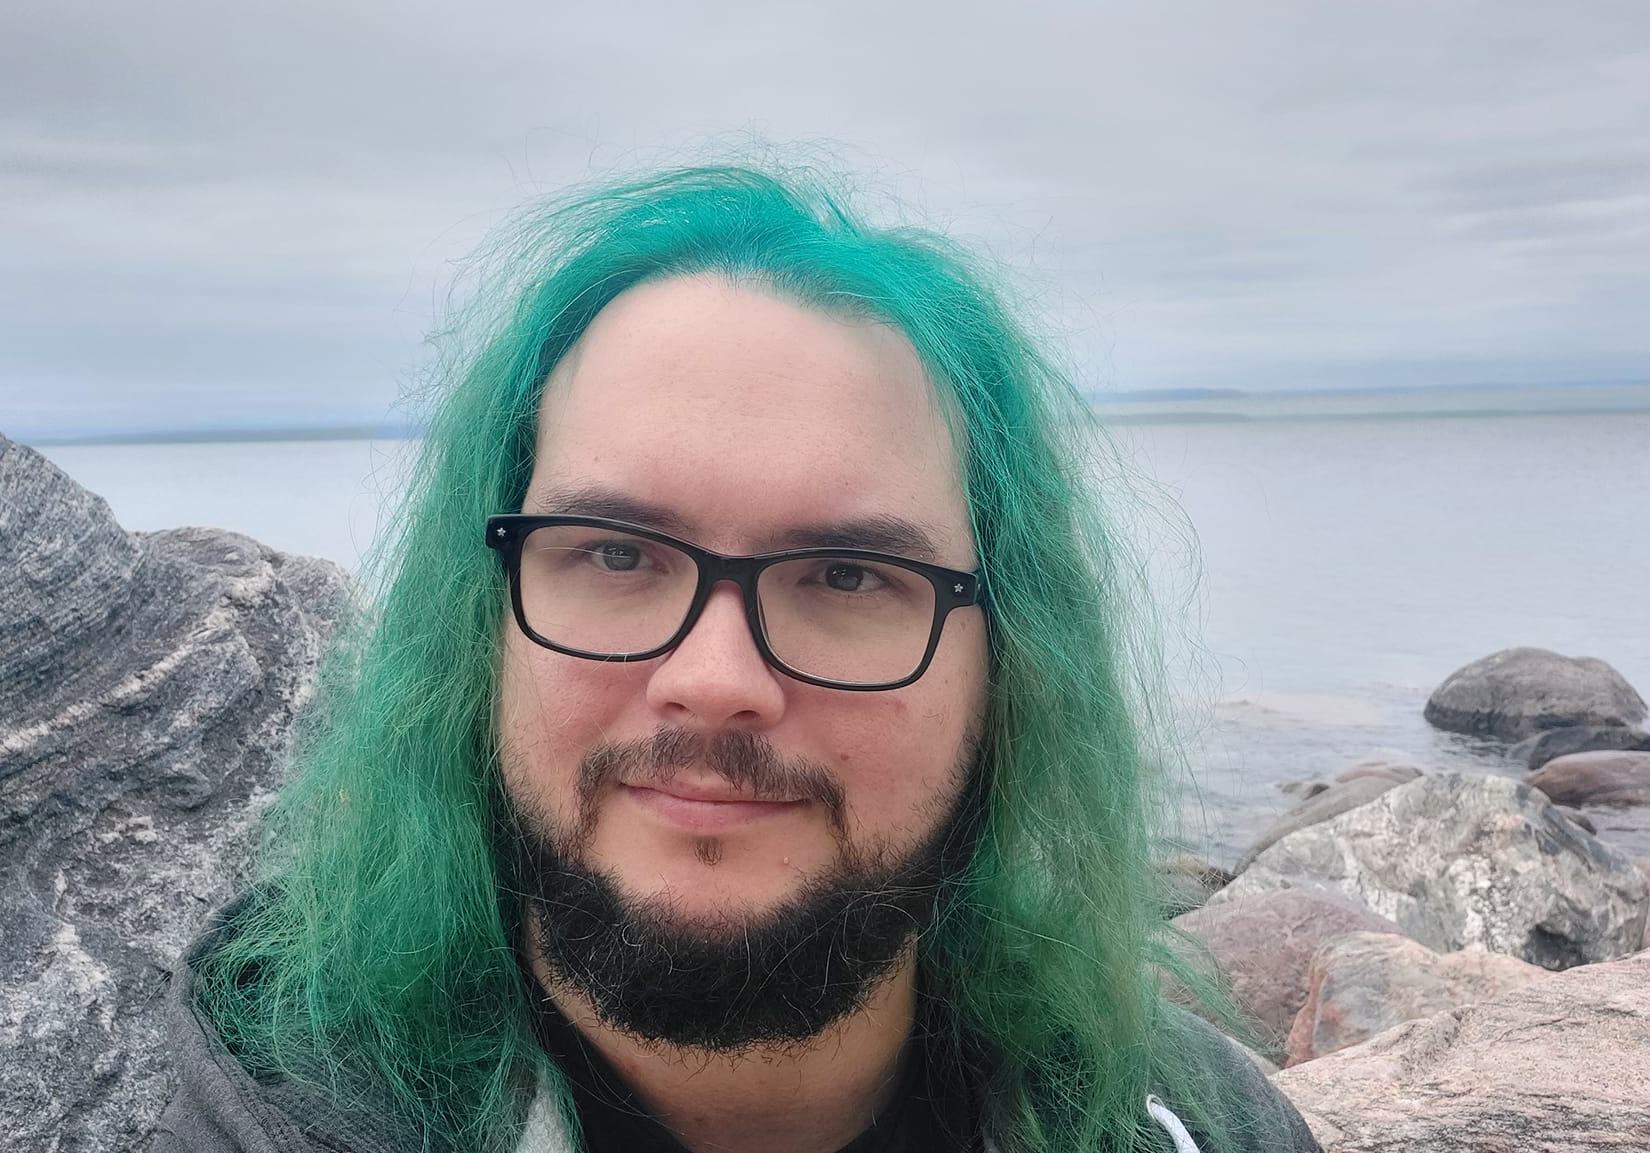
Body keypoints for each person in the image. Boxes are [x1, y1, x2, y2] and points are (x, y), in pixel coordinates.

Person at [152, 162, 1321, 1153]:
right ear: (482, 625)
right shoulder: (285, 1110)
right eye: (613, 554)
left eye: (849, 576)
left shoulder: (1185, 1119)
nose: (713, 679)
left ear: (1008, 664)